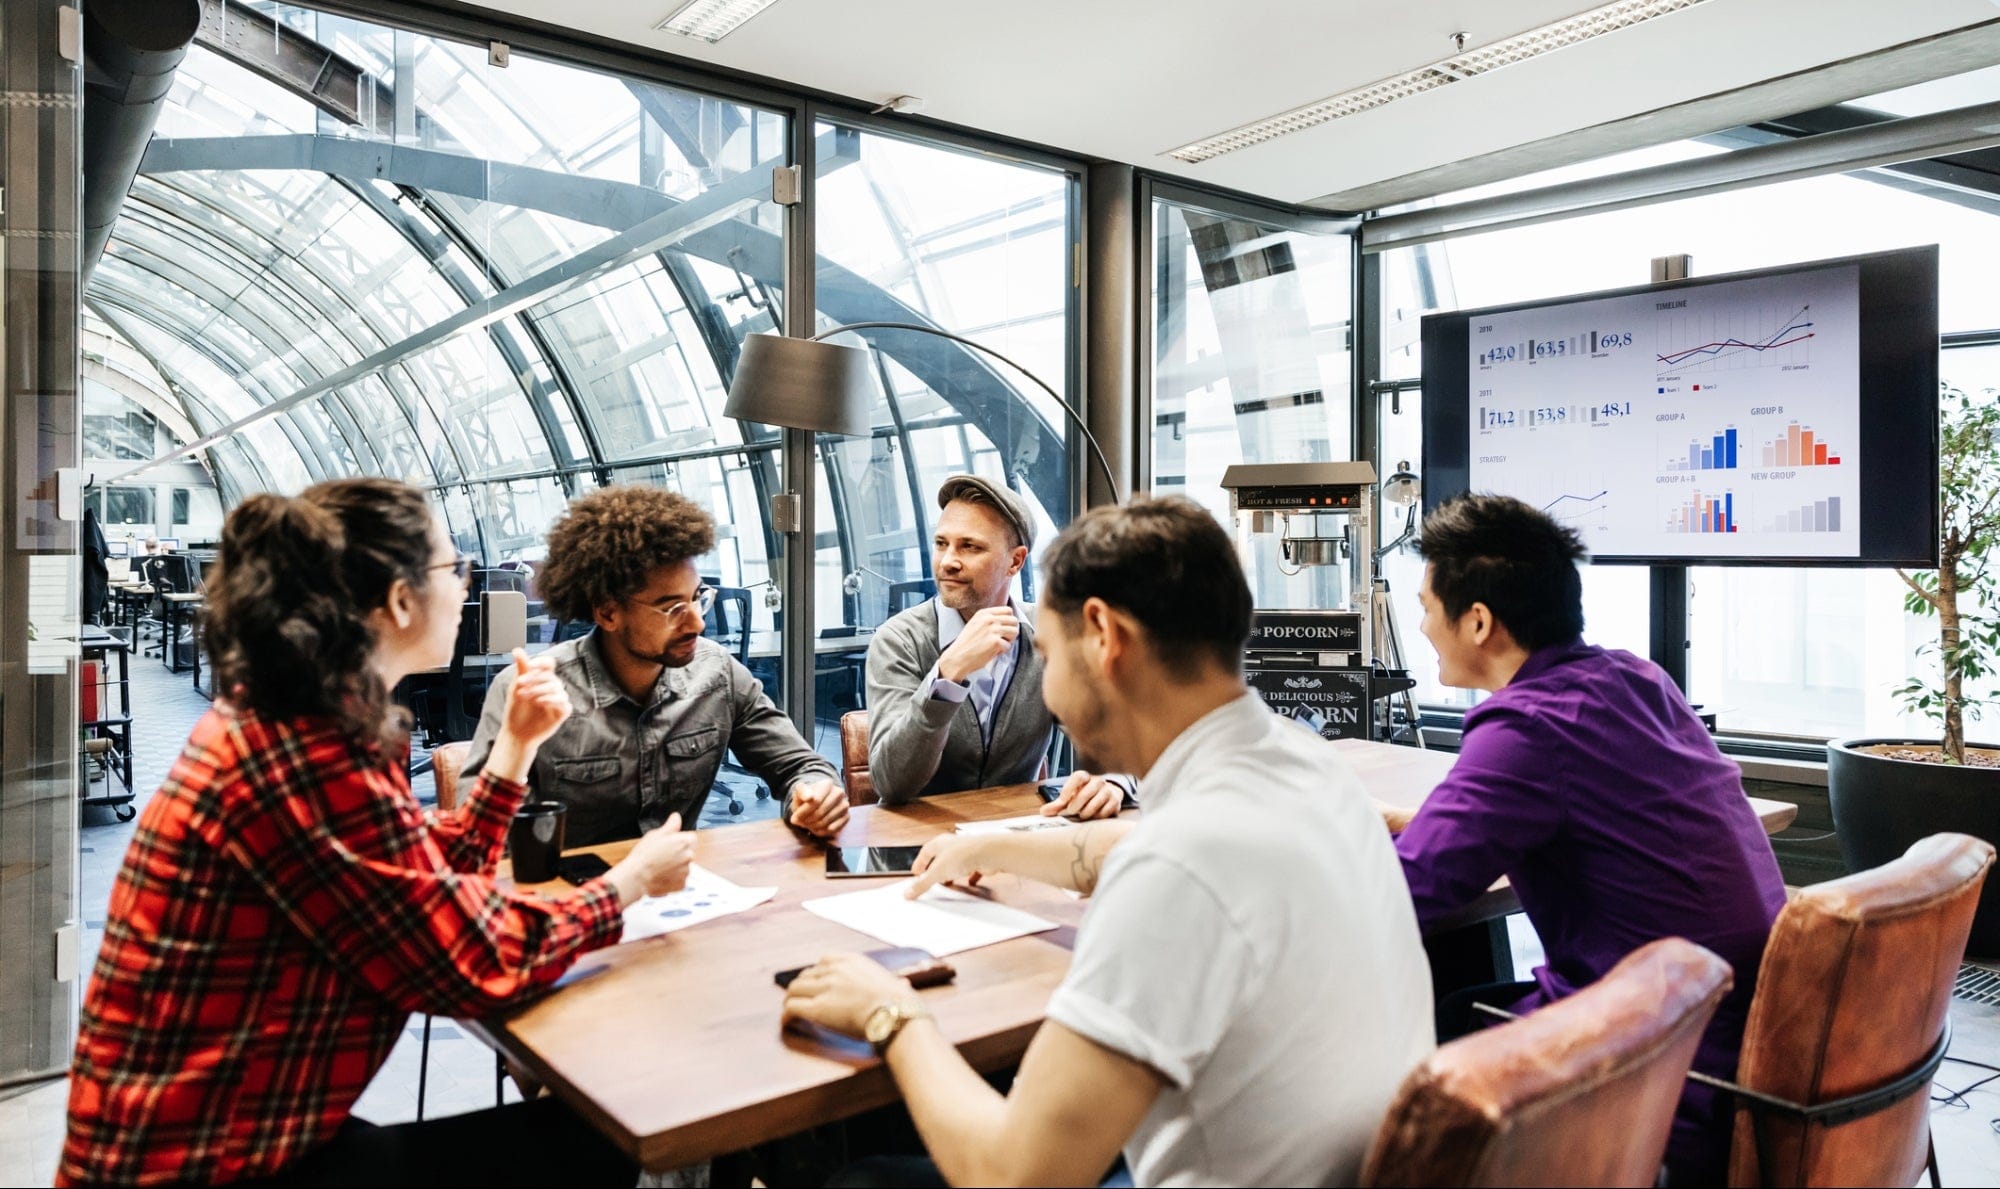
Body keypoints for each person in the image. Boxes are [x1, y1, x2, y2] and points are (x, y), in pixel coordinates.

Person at [783, 495, 1433, 1187]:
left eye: (1048, 654)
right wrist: (988, 845)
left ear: (1102, 635)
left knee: (859, 1177)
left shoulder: (1179, 869)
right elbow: (1136, 850)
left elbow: (1010, 1174)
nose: (1050, 687)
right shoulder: (1306, 765)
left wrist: (893, 1011)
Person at [60, 478, 694, 1186]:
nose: (467, 587)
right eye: (456, 570)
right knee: (592, 1142)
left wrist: (513, 750)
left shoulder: (307, 719)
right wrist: (629, 883)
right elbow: (467, 960)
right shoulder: (309, 757)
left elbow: (417, 884)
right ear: (398, 600)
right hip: (204, 1161)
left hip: (229, 1131)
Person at [1385, 492, 1786, 1185]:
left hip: (1662, 1079)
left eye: (1425, 605)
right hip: (1738, 1045)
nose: (1420, 625)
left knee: (1435, 1035)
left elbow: (1398, 896)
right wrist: (1420, 826)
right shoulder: (1633, 677)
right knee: (1459, 1000)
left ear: (1477, 621)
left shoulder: (1527, 728)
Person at [465, 484, 847, 847]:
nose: (696, 622)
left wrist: (813, 796)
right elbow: (476, 837)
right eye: (672, 608)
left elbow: (800, 766)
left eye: (698, 599)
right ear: (608, 612)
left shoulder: (717, 674)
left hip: (684, 890)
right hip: (572, 901)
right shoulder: (530, 691)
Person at [865, 474, 1129, 818]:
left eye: (969, 547)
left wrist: (1116, 781)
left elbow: (1112, 737)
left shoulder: (1047, 633)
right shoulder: (898, 640)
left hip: (1018, 840)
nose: (948, 561)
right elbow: (892, 783)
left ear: (1016, 561)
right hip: (913, 846)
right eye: (942, 543)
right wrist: (948, 674)